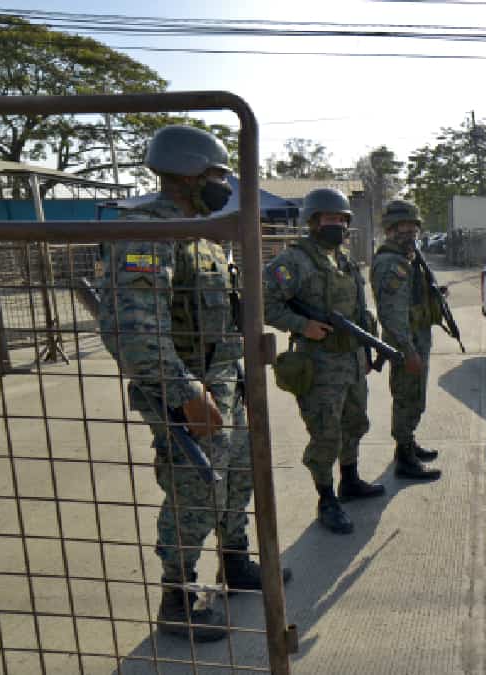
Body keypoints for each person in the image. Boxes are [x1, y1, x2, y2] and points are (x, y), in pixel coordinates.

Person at [96, 125, 291, 643]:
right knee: (195, 489)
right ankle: (177, 596)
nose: (223, 185)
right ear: (186, 173)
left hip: (224, 383)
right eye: (216, 175)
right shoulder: (145, 232)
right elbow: (134, 331)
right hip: (186, 394)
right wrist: (186, 394)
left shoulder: (199, 233)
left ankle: (235, 560)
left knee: (239, 476)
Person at [263, 188, 385, 535]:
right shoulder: (294, 261)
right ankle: (326, 498)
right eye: (329, 219)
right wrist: (303, 325)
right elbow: (264, 302)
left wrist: (364, 351)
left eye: (341, 220)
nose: (337, 225)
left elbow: (359, 312)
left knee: (355, 423)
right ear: (313, 221)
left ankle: (350, 480)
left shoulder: (343, 260)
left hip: (350, 359)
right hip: (318, 364)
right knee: (325, 434)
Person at [371, 200, 442, 481]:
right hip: (406, 343)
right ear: (390, 229)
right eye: (403, 225)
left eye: (414, 225)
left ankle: (408, 444)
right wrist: (409, 351)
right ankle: (404, 458)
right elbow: (392, 313)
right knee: (406, 398)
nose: (410, 231)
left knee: (415, 397)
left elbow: (409, 298)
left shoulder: (408, 258)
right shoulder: (392, 263)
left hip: (416, 338)